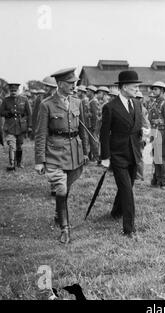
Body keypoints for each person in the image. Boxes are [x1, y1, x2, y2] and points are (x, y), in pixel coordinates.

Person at [34, 68, 89, 244]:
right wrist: (39, 160)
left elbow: (83, 129)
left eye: (75, 82)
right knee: (61, 188)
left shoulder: (77, 102)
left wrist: (86, 152)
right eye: (70, 83)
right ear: (59, 84)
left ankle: (59, 211)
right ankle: (65, 229)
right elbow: (41, 133)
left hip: (75, 152)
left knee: (67, 187)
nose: (74, 86)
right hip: (55, 153)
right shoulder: (46, 104)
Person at [100, 70, 146, 238]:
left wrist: (143, 134)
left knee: (127, 187)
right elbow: (104, 134)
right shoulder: (110, 108)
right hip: (118, 155)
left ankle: (115, 212)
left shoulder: (138, 104)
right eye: (134, 86)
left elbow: (137, 127)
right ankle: (129, 229)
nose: (137, 89)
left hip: (134, 154)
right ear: (124, 86)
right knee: (127, 191)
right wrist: (105, 157)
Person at [148, 81, 165, 189]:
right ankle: (158, 179)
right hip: (155, 133)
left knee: (164, 159)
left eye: (156, 89)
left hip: (164, 134)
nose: (153, 91)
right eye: (153, 89)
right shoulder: (155, 103)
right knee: (156, 158)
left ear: (162, 91)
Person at [0, 82, 32, 170]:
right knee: (11, 145)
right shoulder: (6, 100)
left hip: (21, 126)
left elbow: (29, 114)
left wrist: (29, 126)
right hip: (10, 126)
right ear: (9, 91)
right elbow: (1, 112)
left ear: (18, 90)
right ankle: (12, 164)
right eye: (12, 90)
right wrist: (8, 113)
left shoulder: (24, 99)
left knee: (19, 146)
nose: (13, 92)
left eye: (15, 90)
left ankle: (19, 163)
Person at [134, 90, 150, 181]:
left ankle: (139, 176)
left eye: (138, 98)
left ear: (141, 99)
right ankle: (136, 174)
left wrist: (144, 138)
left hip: (141, 135)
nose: (137, 99)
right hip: (136, 134)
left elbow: (145, 125)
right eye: (135, 98)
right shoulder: (136, 108)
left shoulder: (141, 109)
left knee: (139, 155)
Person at [86, 85, 100, 162]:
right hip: (90, 124)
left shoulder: (93, 102)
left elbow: (95, 115)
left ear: (91, 92)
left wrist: (94, 126)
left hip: (93, 125)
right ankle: (92, 156)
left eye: (88, 91)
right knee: (91, 141)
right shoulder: (90, 101)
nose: (86, 93)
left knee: (94, 141)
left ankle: (96, 158)